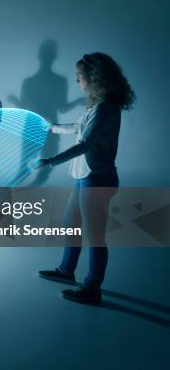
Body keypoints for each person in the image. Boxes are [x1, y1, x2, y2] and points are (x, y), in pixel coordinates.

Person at [36, 53, 135, 305]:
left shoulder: (104, 107)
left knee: (95, 235)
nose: (77, 80)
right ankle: (66, 271)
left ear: (93, 77)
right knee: (71, 224)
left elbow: (84, 144)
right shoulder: (97, 104)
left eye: (79, 76)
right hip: (85, 177)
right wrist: (51, 126)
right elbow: (78, 128)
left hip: (97, 179)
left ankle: (92, 287)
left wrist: (50, 161)